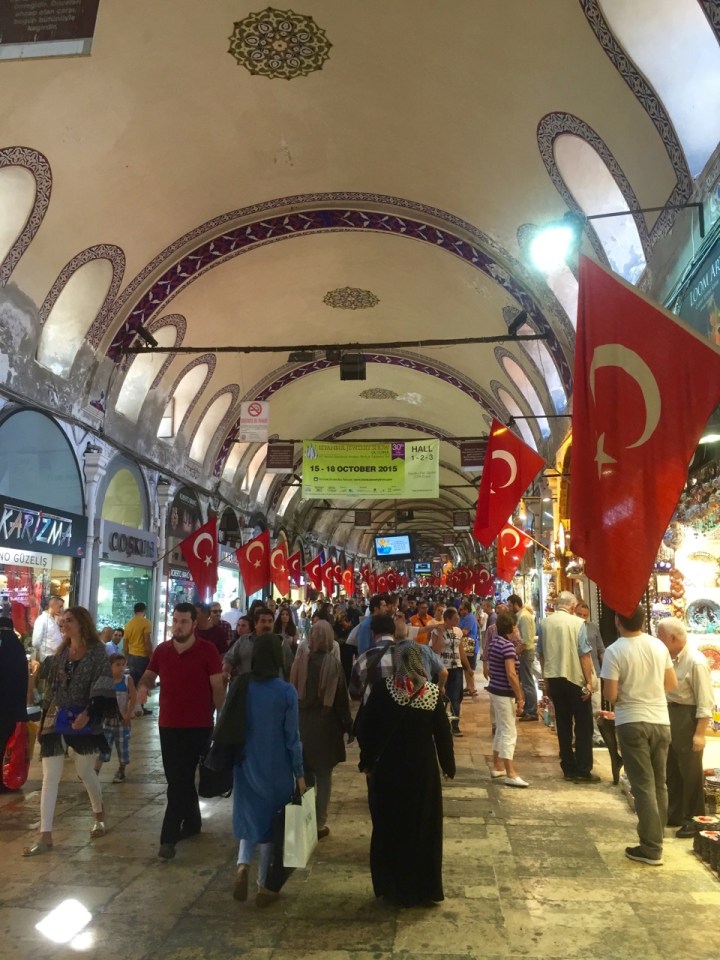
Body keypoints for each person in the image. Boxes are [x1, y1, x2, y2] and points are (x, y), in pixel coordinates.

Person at [356, 642, 455, 906]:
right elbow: (443, 735)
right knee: (422, 826)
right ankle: (423, 887)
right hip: (422, 771)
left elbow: (367, 728)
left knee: (391, 825)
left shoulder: (383, 691)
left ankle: (393, 885)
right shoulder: (432, 694)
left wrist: (366, 761)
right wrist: (448, 766)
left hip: (389, 770)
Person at [215, 634, 305, 906]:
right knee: (271, 825)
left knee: (249, 818)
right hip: (276, 765)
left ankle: (242, 865)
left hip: (245, 761)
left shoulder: (242, 685)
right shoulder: (286, 691)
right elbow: (292, 736)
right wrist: (299, 773)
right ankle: (264, 885)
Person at [23, 607, 116, 856]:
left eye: (68, 621)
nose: (63, 625)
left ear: (81, 623)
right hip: (58, 716)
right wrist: (44, 720)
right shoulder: (61, 652)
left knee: (85, 770)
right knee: (49, 775)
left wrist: (89, 712)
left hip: (85, 718)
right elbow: (52, 688)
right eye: (62, 621)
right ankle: (45, 835)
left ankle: (99, 813)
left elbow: (103, 684)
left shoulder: (97, 652)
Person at [136, 602, 226, 861]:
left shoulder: (207, 650)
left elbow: (217, 688)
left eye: (184, 621)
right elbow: (149, 675)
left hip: (199, 725)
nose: (178, 626)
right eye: (175, 621)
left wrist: (222, 721)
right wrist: (143, 687)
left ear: (194, 624)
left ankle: (168, 838)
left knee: (180, 781)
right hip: (169, 725)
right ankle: (194, 823)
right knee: (179, 779)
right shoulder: (163, 650)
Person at [600, 605, 677, 865]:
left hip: (632, 721)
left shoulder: (615, 650)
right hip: (661, 720)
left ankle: (651, 847)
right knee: (659, 783)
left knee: (643, 785)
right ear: (644, 622)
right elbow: (671, 684)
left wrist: (629, 695)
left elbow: (610, 694)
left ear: (618, 621)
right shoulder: (659, 647)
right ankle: (658, 836)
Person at [289, 621, 352, 838]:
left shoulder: (300, 662)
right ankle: (319, 822)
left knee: (305, 773)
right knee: (324, 775)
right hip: (325, 726)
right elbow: (341, 700)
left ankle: (304, 820)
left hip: (301, 723)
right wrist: (348, 726)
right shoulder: (333, 664)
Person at [657, 617, 714, 839]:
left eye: (660, 637)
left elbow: (705, 702)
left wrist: (700, 733)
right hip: (670, 714)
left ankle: (694, 818)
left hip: (687, 717)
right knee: (672, 767)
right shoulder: (669, 658)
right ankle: (676, 813)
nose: (658, 640)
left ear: (672, 638)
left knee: (691, 772)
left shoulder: (696, 661)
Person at [537, 591, 598, 783]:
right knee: (583, 724)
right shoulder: (577, 623)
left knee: (562, 724)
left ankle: (568, 767)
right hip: (576, 679)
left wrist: (546, 681)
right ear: (572, 607)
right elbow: (585, 655)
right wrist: (589, 683)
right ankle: (583, 768)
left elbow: (542, 654)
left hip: (554, 679)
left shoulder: (545, 623)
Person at [488, 612, 528, 787]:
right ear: (511, 628)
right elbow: (511, 674)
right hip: (504, 692)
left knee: (501, 729)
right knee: (509, 732)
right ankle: (510, 772)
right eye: (516, 626)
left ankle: (497, 766)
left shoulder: (495, 643)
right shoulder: (507, 646)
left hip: (495, 690)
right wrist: (520, 697)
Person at [94, 653, 136, 783]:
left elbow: (133, 697)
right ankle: (95, 771)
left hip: (122, 721)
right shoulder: (106, 681)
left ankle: (121, 771)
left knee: (122, 747)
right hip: (106, 721)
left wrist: (128, 714)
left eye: (123, 665)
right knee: (103, 746)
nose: (121, 668)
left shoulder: (127, 680)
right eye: (118, 665)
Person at [431, 607, 472, 736]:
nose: (458, 621)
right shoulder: (437, 631)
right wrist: (441, 635)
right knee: (440, 696)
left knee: (456, 697)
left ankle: (455, 725)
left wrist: (468, 667)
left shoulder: (458, 631)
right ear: (447, 619)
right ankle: (440, 724)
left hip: (456, 668)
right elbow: (436, 650)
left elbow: (461, 650)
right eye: (455, 619)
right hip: (442, 668)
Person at [223, 606, 293, 680]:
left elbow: (290, 666)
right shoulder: (244, 640)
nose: (267, 625)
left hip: (275, 688)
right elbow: (228, 659)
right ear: (255, 624)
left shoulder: (281, 642)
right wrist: (226, 673)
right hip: (247, 687)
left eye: (270, 621)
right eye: (263, 621)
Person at [0, 617, 29, 793]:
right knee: (11, 745)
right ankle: (8, 779)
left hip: (3, 707)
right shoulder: (17, 648)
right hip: (16, 708)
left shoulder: (4, 647)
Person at [575, 601, 605, 742]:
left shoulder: (593, 628)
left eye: (585, 615)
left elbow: (601, 650)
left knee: (596, 706)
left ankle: (597, 736)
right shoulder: (572, 627)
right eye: (579, 614)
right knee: (578, 707)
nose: (582, 617)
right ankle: (579, 737)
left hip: (595, 673)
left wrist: (605, 670)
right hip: (578, 674)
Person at [508, 595, 538, 721]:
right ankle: (528, 709)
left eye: (510, 605)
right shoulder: (521, 616)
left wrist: (514, 652)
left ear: (515, 604)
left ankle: (532, 711)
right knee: (525, 682)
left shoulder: (524, 617)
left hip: (526, 652)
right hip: (523, 652)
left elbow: (525, 641)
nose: (509, 608)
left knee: (527, 682)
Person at [123, 602, 153, 715]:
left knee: (131, 682)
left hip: (131, 656)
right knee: (142, 683)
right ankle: (139, 706)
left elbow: (125, 644)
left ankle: (130, 707)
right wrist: (151, 657)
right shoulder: (146, 623)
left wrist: (126, 658)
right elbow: (147, 642)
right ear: (144, 610)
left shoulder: (129, 624)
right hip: (142, 657)